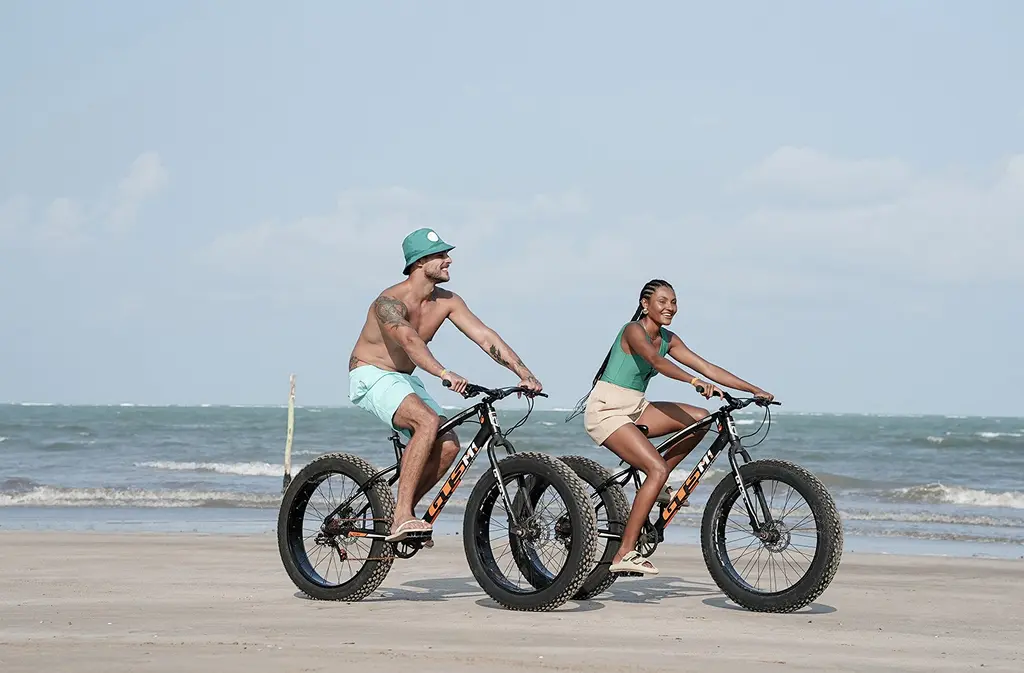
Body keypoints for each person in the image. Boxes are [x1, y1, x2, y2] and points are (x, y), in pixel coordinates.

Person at [348, 227, 543, 543]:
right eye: (441, 255)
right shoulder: (388, 302)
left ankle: (400, 509)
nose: (449, 260)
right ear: (420, 262)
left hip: (403, 379)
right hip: (371, 373)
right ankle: (401, 517)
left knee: (449, 443)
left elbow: (485, 336)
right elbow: (409, 340)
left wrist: (524, 374)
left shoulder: (447, 301)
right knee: (425, 421)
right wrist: (443, 373)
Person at [570, 278, 773, 576]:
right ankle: (624, 553)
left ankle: (658, 484)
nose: (670, 307)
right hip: (606, 410)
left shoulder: (670, 339)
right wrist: (693, 382)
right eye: (663, 301)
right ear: (645, 304)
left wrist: (754, 390)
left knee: (700, 418)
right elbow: (655, 361)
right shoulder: (633, 330)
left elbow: (708, 368)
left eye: (674, 302)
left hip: (637, 407)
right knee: (657, 469)